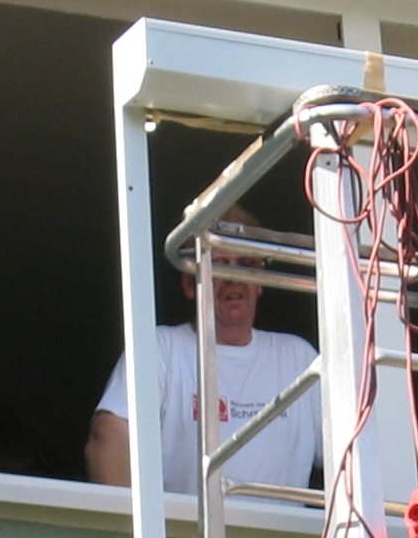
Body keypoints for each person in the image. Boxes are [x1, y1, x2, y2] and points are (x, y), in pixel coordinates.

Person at [86, 207, 323, 495]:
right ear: (189, 283)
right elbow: (108, 438)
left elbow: (351, 456)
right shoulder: (162, 349)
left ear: (261, 282)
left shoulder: (298, 358)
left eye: (245, 263)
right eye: (219, 264)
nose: (234, 278)